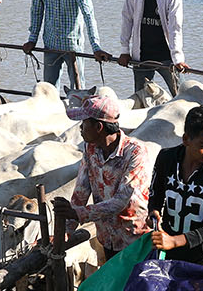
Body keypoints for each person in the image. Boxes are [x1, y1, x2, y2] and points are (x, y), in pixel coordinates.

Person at [53, 91, 154, 259]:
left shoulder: (135, 152)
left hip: (133, 238)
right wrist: (67, 231)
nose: (80, 128)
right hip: (107, 238)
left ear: (99, 127)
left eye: (84, 123)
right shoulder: (90, 149)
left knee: (133, 283)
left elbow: (122, 201)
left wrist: (78, 214)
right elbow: (81, 192)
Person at [148, 104, 203, 270]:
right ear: (186, 139)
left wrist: (175, 241)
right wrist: (153, 211)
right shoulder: (166, 158)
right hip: (169, 253)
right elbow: (156, 192)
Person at [23, 0, 106, 89]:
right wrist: (32, 39)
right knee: (49, 90)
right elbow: (36, 11)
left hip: (72, 45)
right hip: (50, 44)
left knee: (78, 89)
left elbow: (89, 16)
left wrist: (96, 47)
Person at [118, 0, 186, 97]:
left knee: (181, 96)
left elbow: (175, 27)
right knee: (141, 99)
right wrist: (124, 50)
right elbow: (127, 18)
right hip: (142, 54)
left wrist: (178, 58)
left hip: (167, 56)